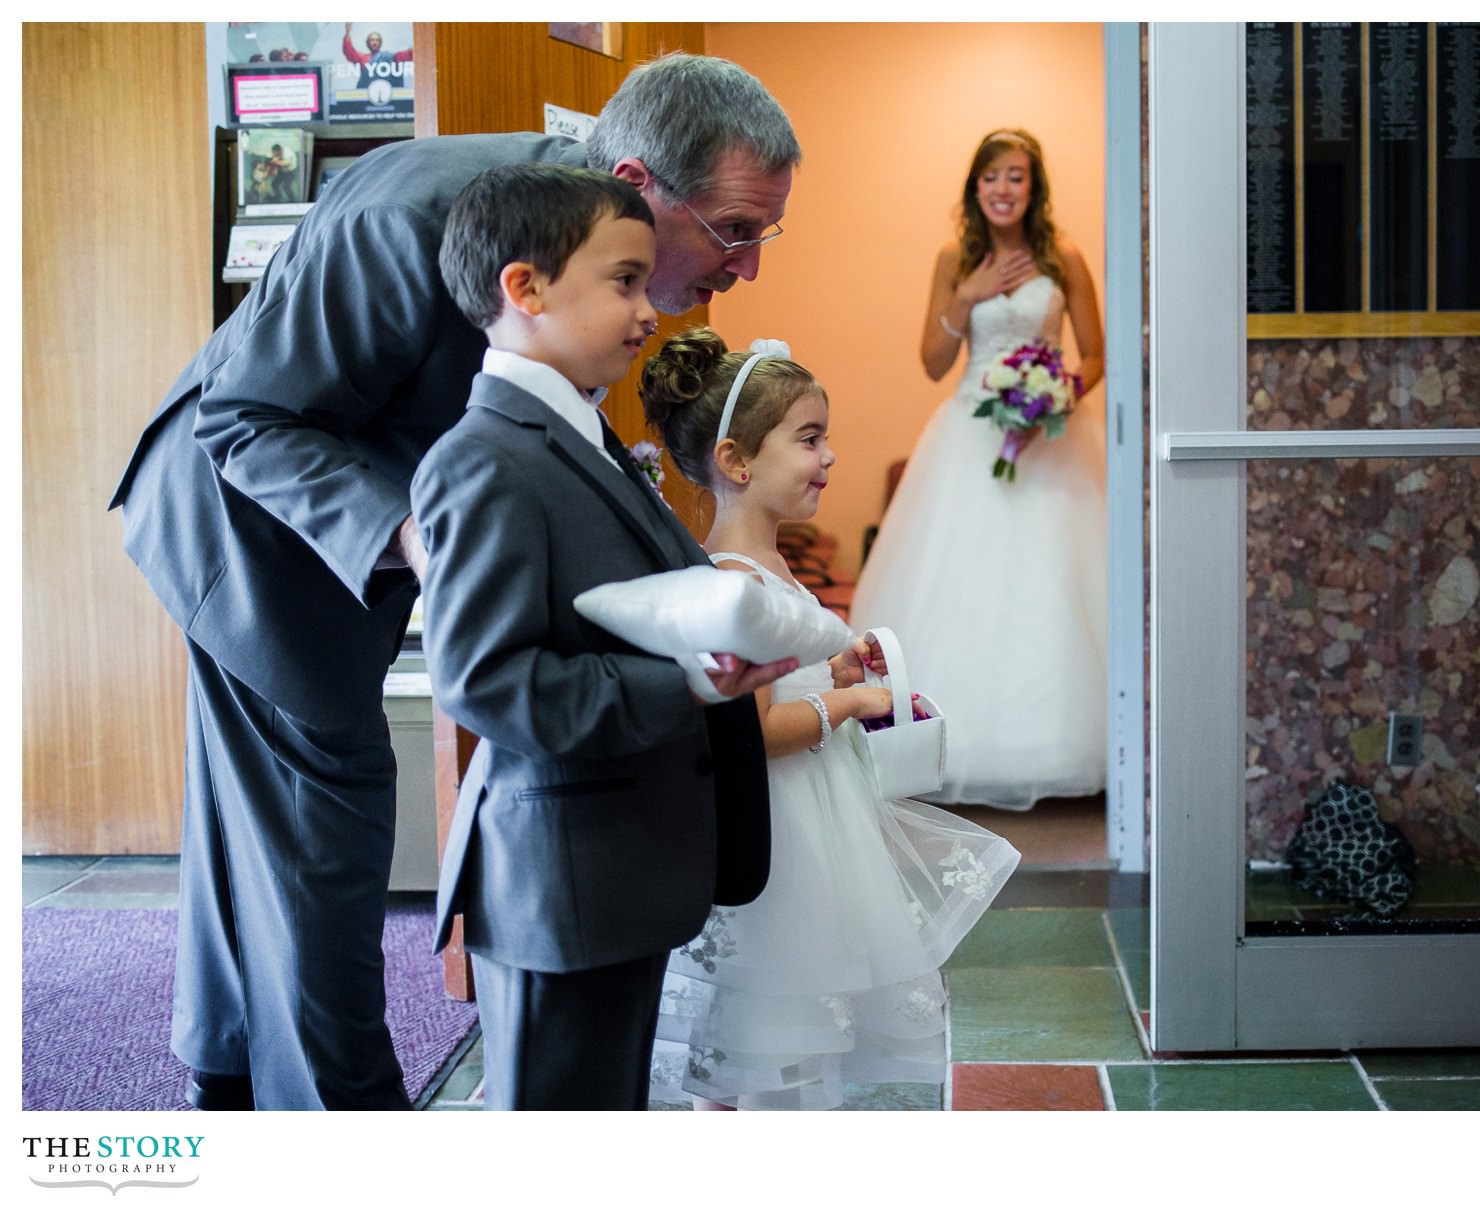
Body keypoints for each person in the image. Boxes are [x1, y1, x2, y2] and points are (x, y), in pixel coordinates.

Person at [106, 52, 800, 1111]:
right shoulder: (409, 223)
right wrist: (420, 535)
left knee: (257, 835)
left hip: (349, 536)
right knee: (320, 859)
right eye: (735, 229)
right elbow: (243, 419)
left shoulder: (580, 257)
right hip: (250, 538)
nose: (746, 269)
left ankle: (226, 1079)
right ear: (636, 179)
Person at [415, 166, 788, 1111]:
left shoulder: (580, 427)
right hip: (562, 884)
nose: (647, 310)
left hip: (617, 870)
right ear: (525, 288)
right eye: (624, 281)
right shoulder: (483, 458)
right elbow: (489, 681)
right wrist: (694, 684)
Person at [641, 328, 1021, 1110]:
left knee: (797, 1035)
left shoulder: (773, 566)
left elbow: (779, 689)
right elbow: (749, 734)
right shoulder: (729, 583)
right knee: (762, 1025)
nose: (829, 456)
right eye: (808, 438)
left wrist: (833, 671)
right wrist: (848, 703)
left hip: (816, 828)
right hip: (777, 841)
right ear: (738, 462)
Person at [852, 128, 1107, 811]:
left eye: (1016, 177)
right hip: (969, 435)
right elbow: (934, 363)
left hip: (1049, 441)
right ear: (975, 188)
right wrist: (964, 298)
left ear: (1034, 188)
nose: (1002, 189)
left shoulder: (1065, 259)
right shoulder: (951, 260)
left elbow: (1097, 356)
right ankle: (944, 747)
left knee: (1053, 585)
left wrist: (1051, 401)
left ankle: (1056, 746)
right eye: (991, 177)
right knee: (964, 585)